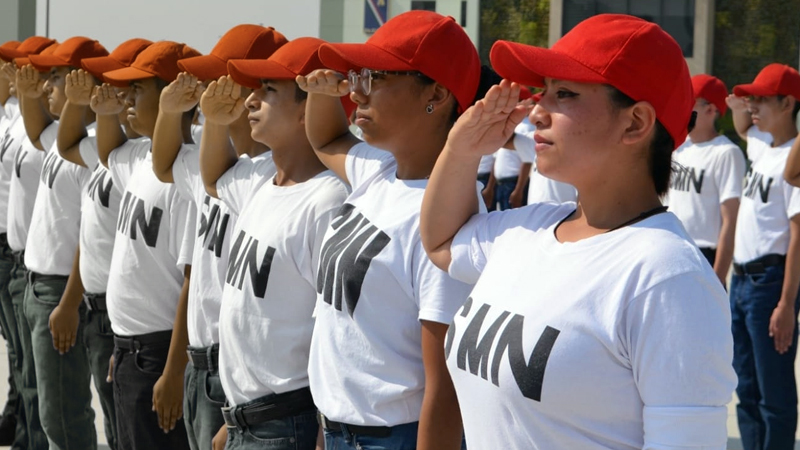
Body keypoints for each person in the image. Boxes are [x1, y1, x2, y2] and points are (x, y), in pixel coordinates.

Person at [419, 13, 737, 450]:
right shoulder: (531, 227)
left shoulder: (669, 278)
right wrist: (461, 147)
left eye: (563, 94)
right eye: (542, 92)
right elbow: (441, 243)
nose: (536, 110)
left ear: (635, 123)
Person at [297, 10, 485, 450]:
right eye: (358, 75)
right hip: (341, 430)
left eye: (376, 77)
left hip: (391, 439)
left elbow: (446, 388)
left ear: (436, 94)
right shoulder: (381, 171)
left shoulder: (449, 214)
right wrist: (323, 94)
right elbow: (325, 140)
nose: (357, 91)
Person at [196, 36, 348, 450]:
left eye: (269, 91)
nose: (250, 101)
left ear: (309, 109)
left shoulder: (328, 200)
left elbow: (334, 330)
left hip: (289, 423)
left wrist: (320, 431)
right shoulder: (266, 183)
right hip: (251, 417)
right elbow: (214, 180)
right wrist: (238, 418)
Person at [149, 24, 285, 450]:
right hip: (199, 360)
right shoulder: (216, 163)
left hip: (239, 369)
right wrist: (170, 112)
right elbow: (166, 163)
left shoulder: (277, 177)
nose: (206, 88)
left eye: (217, 79)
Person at [92, 40, 199, 450]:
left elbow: (193, 278)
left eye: (139, 89)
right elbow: (108, 152)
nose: (127, 99)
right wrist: (123, 347)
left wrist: (173, 371)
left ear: (177, 97)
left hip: (159, 352)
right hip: (130, 349)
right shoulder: (140, 158)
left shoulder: (186, 174)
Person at [51, 37, 154, 450]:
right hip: (101, 311)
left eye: (130, 88)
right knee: (115, 426)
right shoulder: (115, 150)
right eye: (112, 86)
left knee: (123, 431)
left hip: (128, 322)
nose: (118, 96)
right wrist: (80, 103)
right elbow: (67, 144)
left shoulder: (149, 159)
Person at [727, 62, 800, 450]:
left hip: (769, 284)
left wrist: (787, 303)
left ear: (788, 102)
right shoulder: (761, 145)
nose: (752, 106)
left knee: (775, 394)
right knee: (746, 386)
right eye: (750, 99)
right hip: (740, 282)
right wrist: (740, 102)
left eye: (762, 100)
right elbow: (742, 126)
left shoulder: (795, 157)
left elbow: (798, 238)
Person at [667, 74, 745, 285]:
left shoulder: (726, 153)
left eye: (690, 103)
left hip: (703, 254)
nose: (682, 108)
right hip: (670, 246)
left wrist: (718, 278)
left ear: (710, 110)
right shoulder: (679, 148)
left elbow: (730, 220)